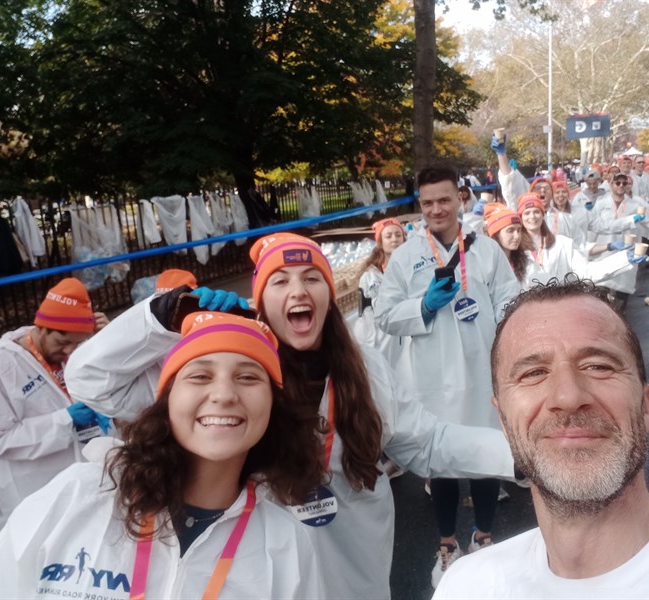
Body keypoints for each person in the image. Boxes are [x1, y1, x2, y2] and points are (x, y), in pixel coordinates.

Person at [65, 232, 516, 599]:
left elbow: (428, 443)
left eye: (311, 278)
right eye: (279, 281)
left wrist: (519, 452)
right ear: (260, 301)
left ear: (327, 296)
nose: (298, 290)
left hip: (354, 569)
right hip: (255, 573)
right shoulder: (231, 379)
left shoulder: (365, 369)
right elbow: (90, 379)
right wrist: (160, 320)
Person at [433, 279, 649, 599]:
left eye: (598, 366)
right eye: (534, 373)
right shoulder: (464, 586)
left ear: (645, 405)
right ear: (503, 420)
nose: (568, 396)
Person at [0, 312, 325, 599]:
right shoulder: (77, 497)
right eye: (200, 376)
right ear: (167, 401)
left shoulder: (285, 545)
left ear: (272, 406)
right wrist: (159, 312)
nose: (224, 394)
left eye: (248, 377)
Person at [375, 164, 520, 588]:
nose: (436, 209)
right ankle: (447, 543)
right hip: (433, 377)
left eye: (444, 200)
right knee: (441, 464)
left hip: (482, 371)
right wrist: (422, 306)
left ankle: (484, 536)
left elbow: (510, 300)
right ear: (419, 205)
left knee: (487, 458)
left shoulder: (485, 249)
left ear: (459, 198)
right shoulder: (406, 257)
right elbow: (384, 315)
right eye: (428, 203)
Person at [0, 277, 111, 515]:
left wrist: (107, 339)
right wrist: (65, 420)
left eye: (77, 343)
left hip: (82, 477)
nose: (69, 351)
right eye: (63, 342)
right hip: (33, 490)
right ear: (41, 328)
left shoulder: (72, 351)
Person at [590, 173, 649, 310]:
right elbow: (591, 227)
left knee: (622, 293)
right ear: (611, 184)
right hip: (605, 252)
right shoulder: (600, 204)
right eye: (617, 182)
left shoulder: (635, 205)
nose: (621, 185)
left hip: (627, 253)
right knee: (600, 295)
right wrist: (588, 249)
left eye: (624, 183)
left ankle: (620, 317)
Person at [514, 194, 642, 291]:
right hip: (529, 310)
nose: (532, 217)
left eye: (536, 212)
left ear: (543, 215)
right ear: (520, 218)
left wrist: (624, 259)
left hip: (560, 306)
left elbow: (586, 272)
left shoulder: (562, 244)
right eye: (527, 213)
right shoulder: (515, 249)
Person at [353, 217, 408, 367]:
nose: (394, 239)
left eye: (398, 235)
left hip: (400, 338)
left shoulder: (410, 267)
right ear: (380, 242)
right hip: (376, 338)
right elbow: (378, 309)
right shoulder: (371, 275)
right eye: (388, 236)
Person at [484, 202, 528, 282]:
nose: (517, 236)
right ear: (495, 234)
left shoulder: (526, 263)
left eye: (519, 230)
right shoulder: (485, 265)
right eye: (510, 230)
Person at [491, 134, 529, 211]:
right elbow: (509, 180)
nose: (542, 190)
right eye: (538, 188)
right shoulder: (525, 208)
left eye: (546, 188)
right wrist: (501, 154)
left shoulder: (554, 213)